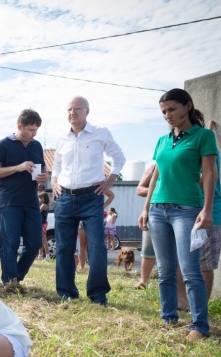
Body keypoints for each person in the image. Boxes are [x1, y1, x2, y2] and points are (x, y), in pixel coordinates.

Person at [138, 88, 217, 340]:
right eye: (163, 111)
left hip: (186, 210)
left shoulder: (203, 136)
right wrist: (146, 207)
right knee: (165, 269)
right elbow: (155, 176)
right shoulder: (162, 140)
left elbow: (210, 174)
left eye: (172, 109)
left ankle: (199, 326)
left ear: (188, 106)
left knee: (191, 269)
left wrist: (207, 209)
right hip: (158, 209)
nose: (167, 115)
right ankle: (168, 317)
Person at [52, 96, 125, 306]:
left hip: (91, 197)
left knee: (97, 246)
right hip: (65, 197)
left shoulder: (100, 133)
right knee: (64, 247)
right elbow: (57, 164)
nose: (72, 113)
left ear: (87, 111)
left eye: (77, 108)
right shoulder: (62, 137)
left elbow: (119, 157)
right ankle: (66, 292)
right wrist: (54, 181)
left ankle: (98, 294)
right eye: (69, 109)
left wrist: (110, 180)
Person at [0, 109, 48, 285]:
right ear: (20, 126)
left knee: (35, 243)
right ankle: (10, 282)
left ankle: (17, 276)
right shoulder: (3, 144)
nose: (34, 133)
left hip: (31, 201)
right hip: (9, 201)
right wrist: (18, 167)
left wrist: (44, 176)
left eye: (36, 130)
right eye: (31, 129)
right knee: (10, 243)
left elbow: (43, 169)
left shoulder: (37, 146)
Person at [177, 155, 221, 306]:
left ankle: (200, 308)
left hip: (206, 213)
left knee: (204, 264)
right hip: (180, 209)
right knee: (178, 258)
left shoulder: (207, 146)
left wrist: (178, 179)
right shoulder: (176, 146)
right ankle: (181, 301)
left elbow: (209, 176)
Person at [135, 162, 157, 289]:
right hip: (154, 210)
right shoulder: (153, 166)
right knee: (148, 249)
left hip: (183, 210)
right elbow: (139, 189)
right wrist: (158, 189)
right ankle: (143, 281)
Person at [37, 192, 50, 259]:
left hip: (42, 223)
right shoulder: (45, 205)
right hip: (42, 223)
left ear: (43, 199)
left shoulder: (44, 205)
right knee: (43, 239)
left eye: (40, 198)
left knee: (43, 239)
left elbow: (38, 211)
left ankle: (46, 255)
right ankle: (41, 255)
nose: (38, 199)